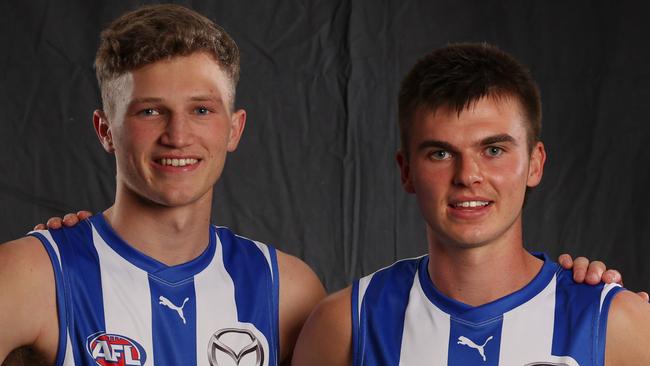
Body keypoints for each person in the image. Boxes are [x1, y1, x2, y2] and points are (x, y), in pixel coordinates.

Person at [0, 4, 325, 365]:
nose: (178, 136)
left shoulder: (288, 292)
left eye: (201, 110)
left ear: (234, 128)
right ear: (106, 130)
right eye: (150, 111)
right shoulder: (30, 276)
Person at [292, 43, 650, 365]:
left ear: (535, 164)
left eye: (493, 150)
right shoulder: (344, 326)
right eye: (441, 153)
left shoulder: (617, 323)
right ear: (407, 172)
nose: (468, 175)